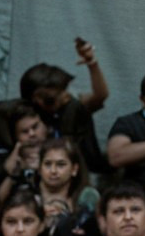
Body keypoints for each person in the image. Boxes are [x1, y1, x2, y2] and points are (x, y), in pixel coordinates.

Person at [20, 42, 110, 176]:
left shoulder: (73, 107)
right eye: (54, 96)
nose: (65, 96)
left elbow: (100, 95)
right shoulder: (31, 118)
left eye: (63, 90)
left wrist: (92, 63)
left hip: (85, 172)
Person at [37, 140, 102, 236]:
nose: (53, 171)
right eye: (47, 164)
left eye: (60, 164)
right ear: (39, 168)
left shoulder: (88, 197)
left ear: (74, 169)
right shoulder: (28, 197)